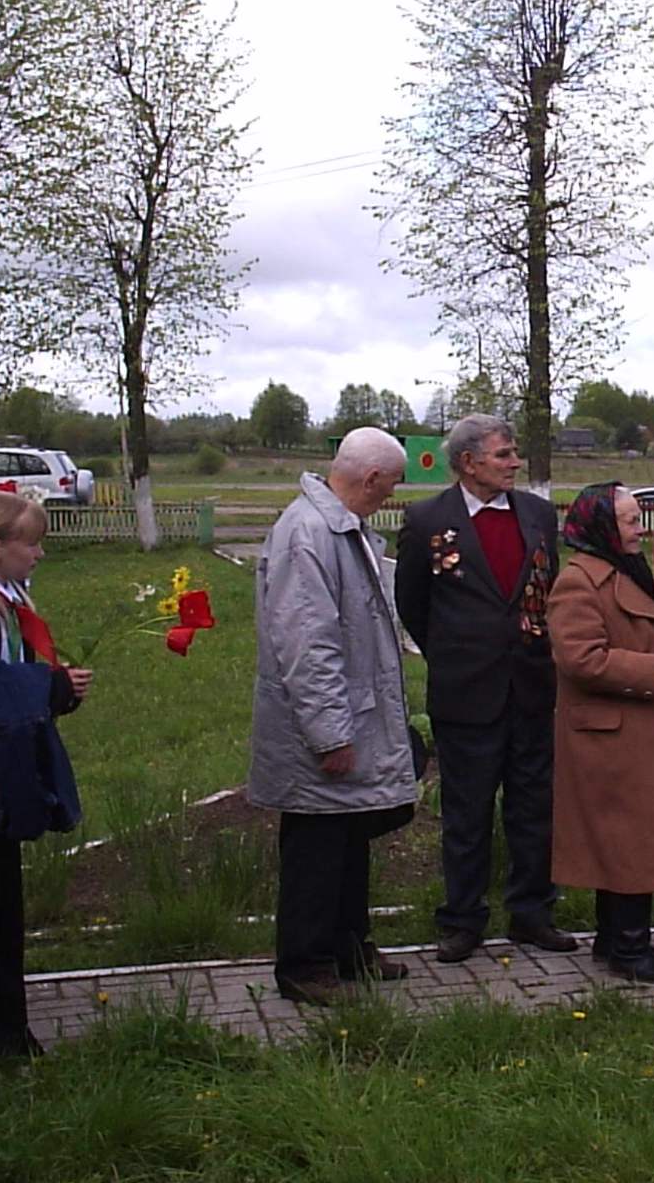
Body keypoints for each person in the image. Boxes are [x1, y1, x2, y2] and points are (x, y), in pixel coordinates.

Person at [395, 415, 576, 963]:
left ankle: (532, 913)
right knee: (467, 813)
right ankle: (462, 919)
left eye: (514, 453)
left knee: (533, 807)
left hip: (530, 687)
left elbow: (548, 591)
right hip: (465, 693)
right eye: (503, 455)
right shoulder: (428, 519)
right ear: (469, 462)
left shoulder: (539, 515)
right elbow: (413, 605)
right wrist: (457, 653)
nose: (514, 463)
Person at [248, 428, 416, 1006]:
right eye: (390, 486)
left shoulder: (343, 528)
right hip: (322, 729)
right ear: (370, 480)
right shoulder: (309, 533)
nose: (390, 497)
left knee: (350, 837)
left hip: (350, 716)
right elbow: (307, 644)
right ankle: (305, 964)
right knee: (316, 847)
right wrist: (330, 734)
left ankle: (348, 948)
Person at [547, 484, 654, 984]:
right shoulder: (578, 581)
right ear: (601, 526)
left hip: (638, 732)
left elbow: (649, 630)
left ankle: (618, 939)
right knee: (627, 842)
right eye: (631, 521)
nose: (642, 529)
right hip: (609, 737)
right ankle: (627, 950)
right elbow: (579, 658)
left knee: (633, 840)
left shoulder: (630, 571)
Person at [0, 492, 92, 1060]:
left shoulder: (1, 600)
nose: (39, 553)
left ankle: (4, 1032)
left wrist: (52, 689)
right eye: (31, 543)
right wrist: (51, 688)